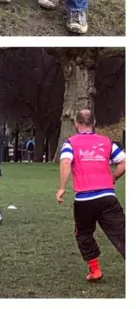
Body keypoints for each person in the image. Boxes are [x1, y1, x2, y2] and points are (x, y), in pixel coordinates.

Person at [57, 109, 125, 282]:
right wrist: (114, 177)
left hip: (84, 200)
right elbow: (124, 162)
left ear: (76, 124)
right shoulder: (107, 142)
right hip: (108, 198)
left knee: (83, 234)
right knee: (123, 234)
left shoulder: (70, 143)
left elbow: (65, 161)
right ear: (94, 123)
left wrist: (62, 188)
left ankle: (95, 271)